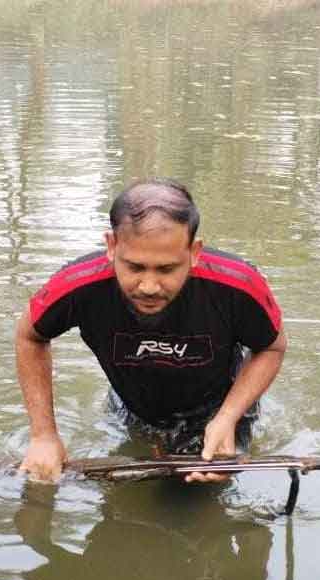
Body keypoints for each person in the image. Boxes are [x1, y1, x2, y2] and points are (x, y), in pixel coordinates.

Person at [15, 177, 287, 483]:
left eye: (167, 269)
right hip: (132, 404)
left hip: (219, 406)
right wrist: (43, 436)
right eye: (134, 267)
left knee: (195, 492)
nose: (148, 286)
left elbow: (271, 346)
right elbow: (30, 335)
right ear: (111, 246)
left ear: (194, 251)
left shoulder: (237, 286)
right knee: (124, 492)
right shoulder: (79, 286)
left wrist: (227, 418)